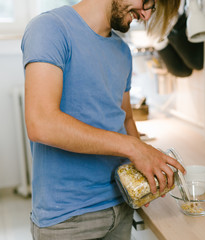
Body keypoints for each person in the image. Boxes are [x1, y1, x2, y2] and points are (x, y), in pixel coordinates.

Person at [21, 0, 183, 239]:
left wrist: (144, 172)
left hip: (120, 205)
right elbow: (41, 123)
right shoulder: (50, 28)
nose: (146, 15)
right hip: (68, 219)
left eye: (153, 9)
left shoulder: (122, 50)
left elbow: (126, 118)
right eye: (147, 1)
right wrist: (134, 147)